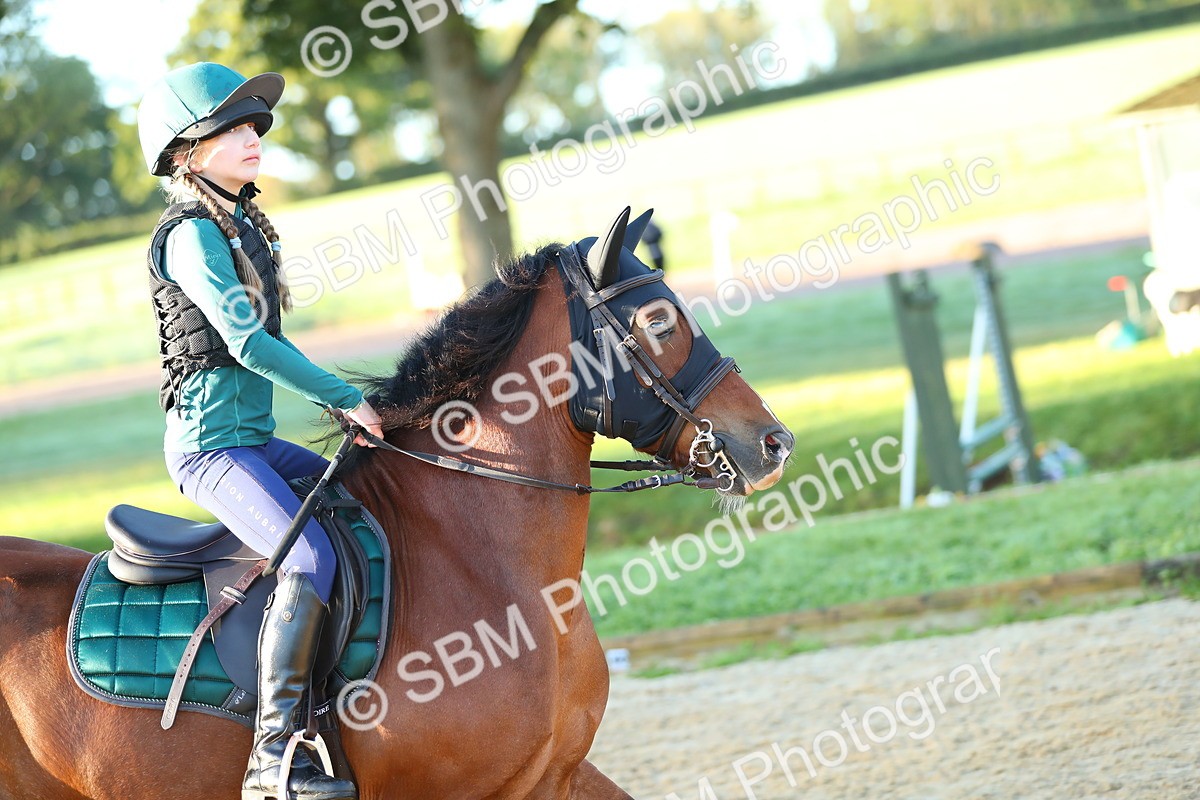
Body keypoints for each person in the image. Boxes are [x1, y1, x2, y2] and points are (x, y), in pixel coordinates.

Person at [137, 62, 380, 800]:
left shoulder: (238, 223)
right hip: (212, 453)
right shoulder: (189, 238)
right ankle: (275, 760)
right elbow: (247, 344)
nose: (252, 138)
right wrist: (344, 398)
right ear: (187, 152)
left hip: (256, 441)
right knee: (306, 557)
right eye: (232, 128)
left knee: (362, 504)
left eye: (253, 125)